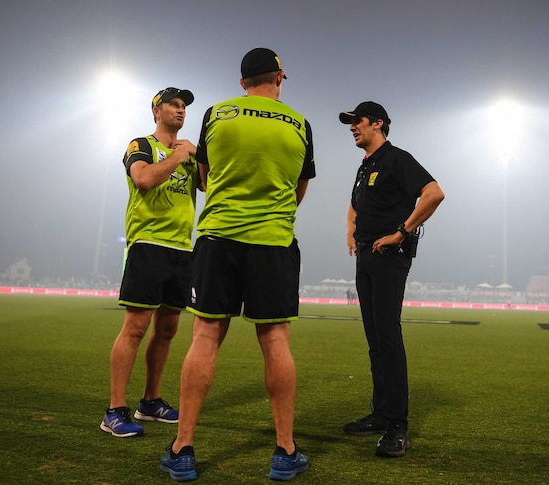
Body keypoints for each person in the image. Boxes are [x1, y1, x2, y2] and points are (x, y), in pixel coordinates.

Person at [159, 47, 315, 482]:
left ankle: (183, 448)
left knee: (205, 336)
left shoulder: (216, 114)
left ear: (242, 82)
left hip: (219, 238)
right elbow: (299, 188)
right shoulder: (300, 123)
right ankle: (285, 451)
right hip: (273, 242)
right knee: (275, 340)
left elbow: (205, 177)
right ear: (280, 76)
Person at [339, 101, 445, 457]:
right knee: (374, 338)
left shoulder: (397, 158)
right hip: (366, 255)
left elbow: (434, 193)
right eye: (350, 123)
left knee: (387, 335)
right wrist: (351, 230)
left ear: (378, 123)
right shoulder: (366, 165)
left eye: (358, 121)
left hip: (389, 257)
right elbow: (355, 204)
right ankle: (381, 413)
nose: (352, 127)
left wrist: (402, 231)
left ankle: (398, 425)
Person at [100, 87, 199, 438]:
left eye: (184, 105)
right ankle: (114, 410)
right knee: (136, 328)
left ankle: (150, 401)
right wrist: (178, 155)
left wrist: (197, 156)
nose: (180, 109)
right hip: (148, 245)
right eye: (173, 104)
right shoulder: (141, 145)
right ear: (156, 110)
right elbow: (143, 179)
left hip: (182, 249)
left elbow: (211, 182)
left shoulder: (190, 153)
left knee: (168, 330)